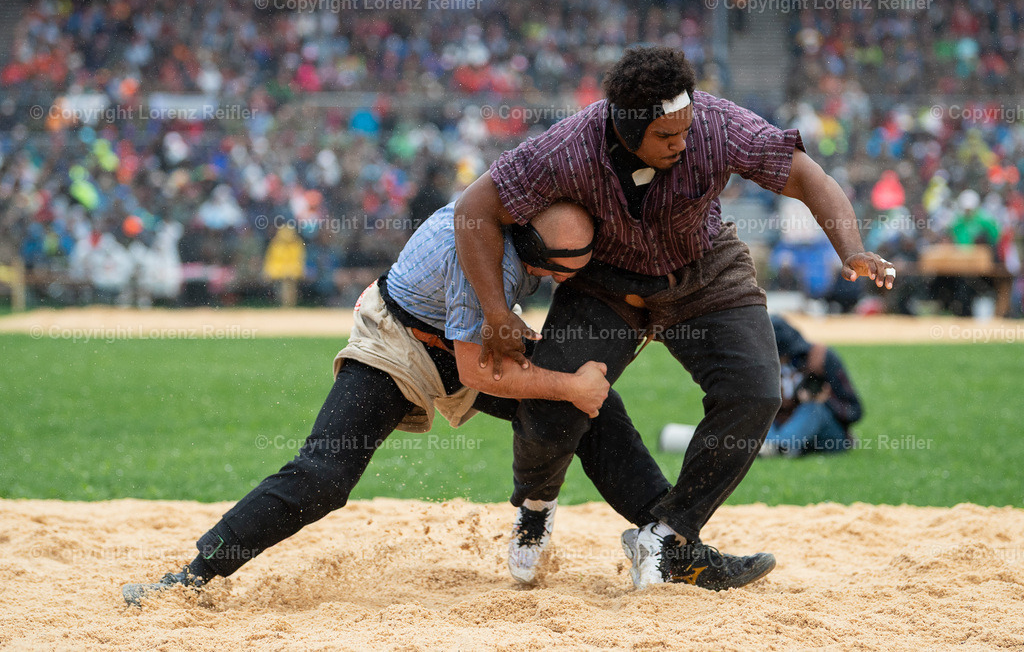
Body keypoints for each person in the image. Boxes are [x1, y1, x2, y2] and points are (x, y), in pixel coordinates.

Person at [453, 45, 896, 590]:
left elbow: (804, 175)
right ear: (624, 125)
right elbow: (475, 207)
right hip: (607, 283)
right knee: (552, 408)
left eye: (685, 129)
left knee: (755, 392)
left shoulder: (713, 122)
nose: (681, 142)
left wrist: (850, 248)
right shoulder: (568, 147)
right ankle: (536, 511)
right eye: (666, 136)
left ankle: (667, 537)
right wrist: (495, 312)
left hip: (703, 267)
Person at [122, 201, 673, 605]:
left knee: (597, 412)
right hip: (396, 344)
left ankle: (669, 534)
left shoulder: (512, 221)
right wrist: (568, 385)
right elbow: (476, 370)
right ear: (533, 253)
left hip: (459, 335)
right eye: (558, 271)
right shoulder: (490, 261)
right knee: (323, 475)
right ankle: (193, 576)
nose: (560, 281)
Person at [760, 315, 863, 457]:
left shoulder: (821, 358)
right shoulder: (762, 365)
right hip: (781, 425)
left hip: (824, 436)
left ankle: (777, 447)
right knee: (759, 409)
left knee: (814, 409)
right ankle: (772, 447)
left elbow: (855, 411)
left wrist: (824, 401)